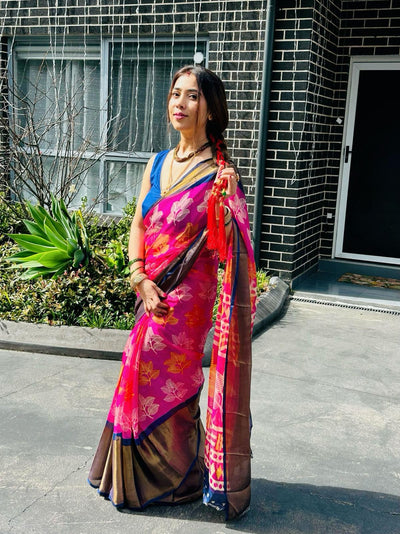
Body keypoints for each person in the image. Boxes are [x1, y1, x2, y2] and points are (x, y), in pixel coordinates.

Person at [88, 65, 257, 521]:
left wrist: (228, 204)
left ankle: (177, 478)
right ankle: (146, 475)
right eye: (175, 94)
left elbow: (231, 247)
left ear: (210, 109)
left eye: (192, 96)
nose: (179, 103)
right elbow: (138, 224)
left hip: (188, 298)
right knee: (137, 369)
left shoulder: (220, 174)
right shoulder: (157, 162)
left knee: (167, 380)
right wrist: (139, 277)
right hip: (150, 289)